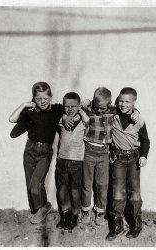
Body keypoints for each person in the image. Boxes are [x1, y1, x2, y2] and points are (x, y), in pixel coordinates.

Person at [63, 87, 138, 226]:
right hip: (89, 152)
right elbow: (74, 109)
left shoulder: (112, 110)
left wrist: (137, 112)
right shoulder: (88, 108)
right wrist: (69, 113)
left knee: (102, 184)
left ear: (109, 103)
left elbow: (130, 110)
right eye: (98, 108)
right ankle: (86, 211)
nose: (100, 111)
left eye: (103, 108)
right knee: (86, 183)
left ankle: (100, 211)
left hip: (104, 153)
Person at [8, 82, 66, 224]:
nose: (42, 101)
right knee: (30, 185)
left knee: (36, 184)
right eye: (38, 98)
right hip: (30, 150)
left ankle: (44, 207)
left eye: (45, 98)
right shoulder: (30, 112)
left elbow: (74, 106)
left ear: (51, 97)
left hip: (45, 152)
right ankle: (38, 211)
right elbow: (12, 119)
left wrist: (66, 116)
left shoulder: (56, 109)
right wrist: (24, 105)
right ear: (33, 98)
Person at [106, 87, 150, 241]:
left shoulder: (139, 120)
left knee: (134, 192)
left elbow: (145, 140)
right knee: (118, 192)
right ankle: (117, 225)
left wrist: (144, 156)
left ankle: (136, 224)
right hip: (118, 159)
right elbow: (98, 106)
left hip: (133, 160)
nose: (123, 104)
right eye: (121, 101)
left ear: (134, 102)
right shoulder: (113, 114)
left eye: (127, 102)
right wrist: (87, 103)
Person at [55, 92, 88, 231]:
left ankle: (75, 214)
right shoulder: (61, 119)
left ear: (79, 106)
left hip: (77, 161)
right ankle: (65, 214)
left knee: (75, 190)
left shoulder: (83, 119)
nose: (69, 109)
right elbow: (54, 110)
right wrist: (63, 115)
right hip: (62, 160)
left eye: (73, 106)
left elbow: (88, 121)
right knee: (62, 190)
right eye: (67, 106)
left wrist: (80, 110)